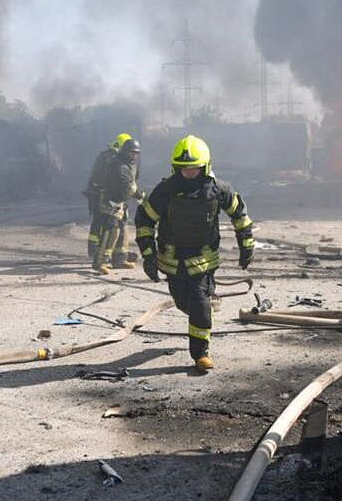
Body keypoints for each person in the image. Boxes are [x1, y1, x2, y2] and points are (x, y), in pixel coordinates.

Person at [135, 135, 254, 370]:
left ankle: (200, 354)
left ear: (205, 166)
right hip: (172, 260)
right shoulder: (165, 190)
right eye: (184, 169)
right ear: (176, 168)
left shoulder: (218, 189)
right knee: (183, 302)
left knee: (199, 303)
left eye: (194, 169)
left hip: (203, 260)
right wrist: (148, 255)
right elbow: (145, 220)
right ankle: (206, 310)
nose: (189, 173)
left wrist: (246, 244)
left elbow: (239, 215)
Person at [93, 138, 144, 273]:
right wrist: (140, 197)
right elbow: (128, 187)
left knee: (123, 229)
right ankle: (100, 262)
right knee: (110, 231)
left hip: (120, 202)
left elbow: (133, 182)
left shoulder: (130, 164)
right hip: (111, 202)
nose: (134, 155)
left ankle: (120, 260)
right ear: (125, 151)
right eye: (131, 152)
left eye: (136, 153)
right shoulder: (119, 165)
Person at [85, 133, 132, 261]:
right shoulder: (113, 158)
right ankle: (99, 252)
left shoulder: (106, 155)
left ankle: (108, 252)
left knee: (101, 221)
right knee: (107, 222)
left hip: (97, 193)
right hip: (102, 194)